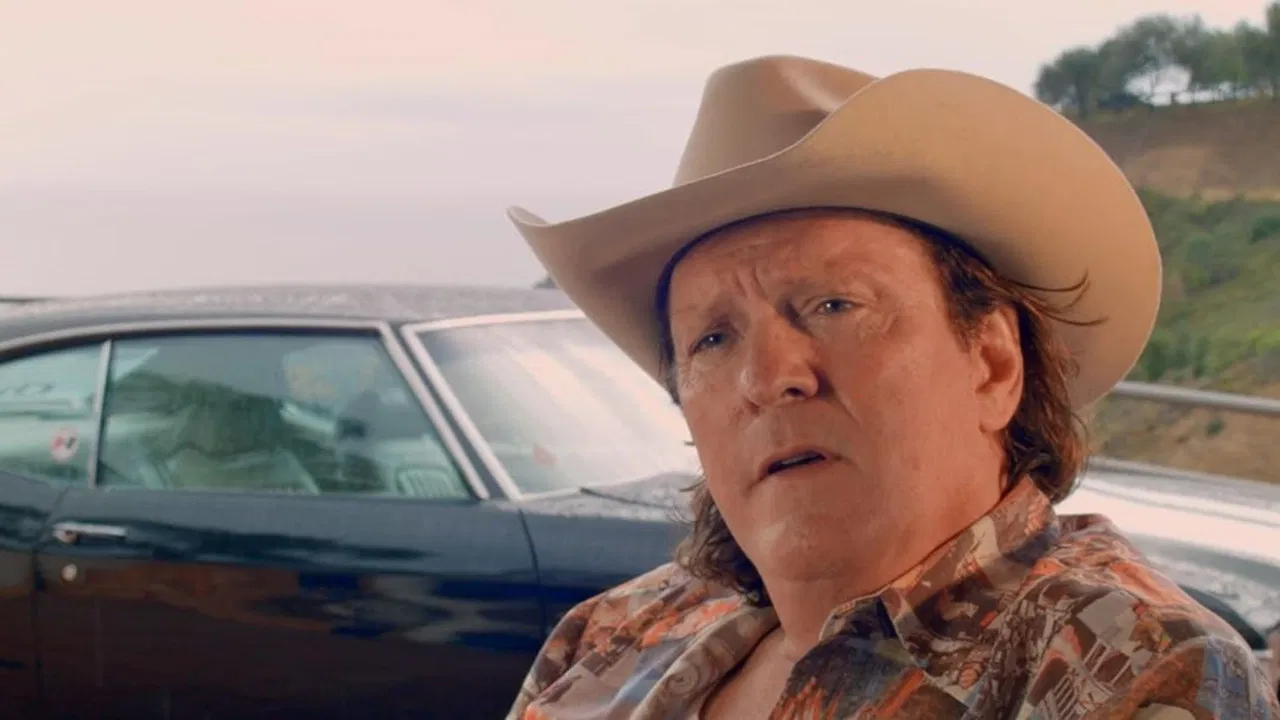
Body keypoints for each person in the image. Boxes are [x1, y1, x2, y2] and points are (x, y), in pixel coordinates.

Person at [501, 55, 1280, 719]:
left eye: (833, 306)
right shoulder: (606, 633)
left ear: (993, 363)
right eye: (711, 339)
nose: (767, 378)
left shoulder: (1128, 665)